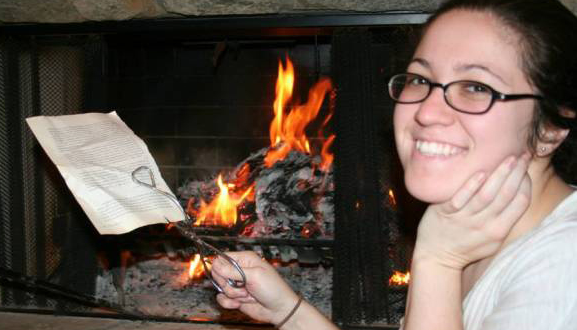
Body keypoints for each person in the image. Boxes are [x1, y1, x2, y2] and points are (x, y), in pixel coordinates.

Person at [211, 0, 577, 329]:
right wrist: (288, 312)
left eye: (476, 87)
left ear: (550, 128)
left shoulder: (563, 266)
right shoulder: (462, 228)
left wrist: (437, 262)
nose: (427, 111)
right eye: (420, 79)